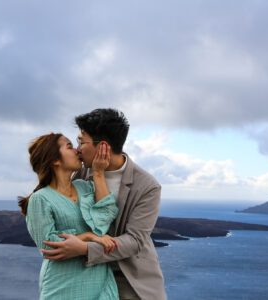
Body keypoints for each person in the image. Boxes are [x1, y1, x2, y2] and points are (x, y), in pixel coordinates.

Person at [41, 109, 167, 300]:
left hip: (129, 277)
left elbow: (134, 241)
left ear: (103, 146)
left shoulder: (148, 186)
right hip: (87, 273)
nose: (77, 149)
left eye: (81, 142)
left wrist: (85, 249)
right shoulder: (82, 174)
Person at [18, 132, 121, 299]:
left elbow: (105, 217)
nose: (77, 151)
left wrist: (98, 173)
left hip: (101, 284)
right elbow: (49, 247)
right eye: (70, 147)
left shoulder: (84, 186)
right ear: (55, 160)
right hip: (63, 287)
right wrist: (89, 236)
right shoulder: (41, 199)